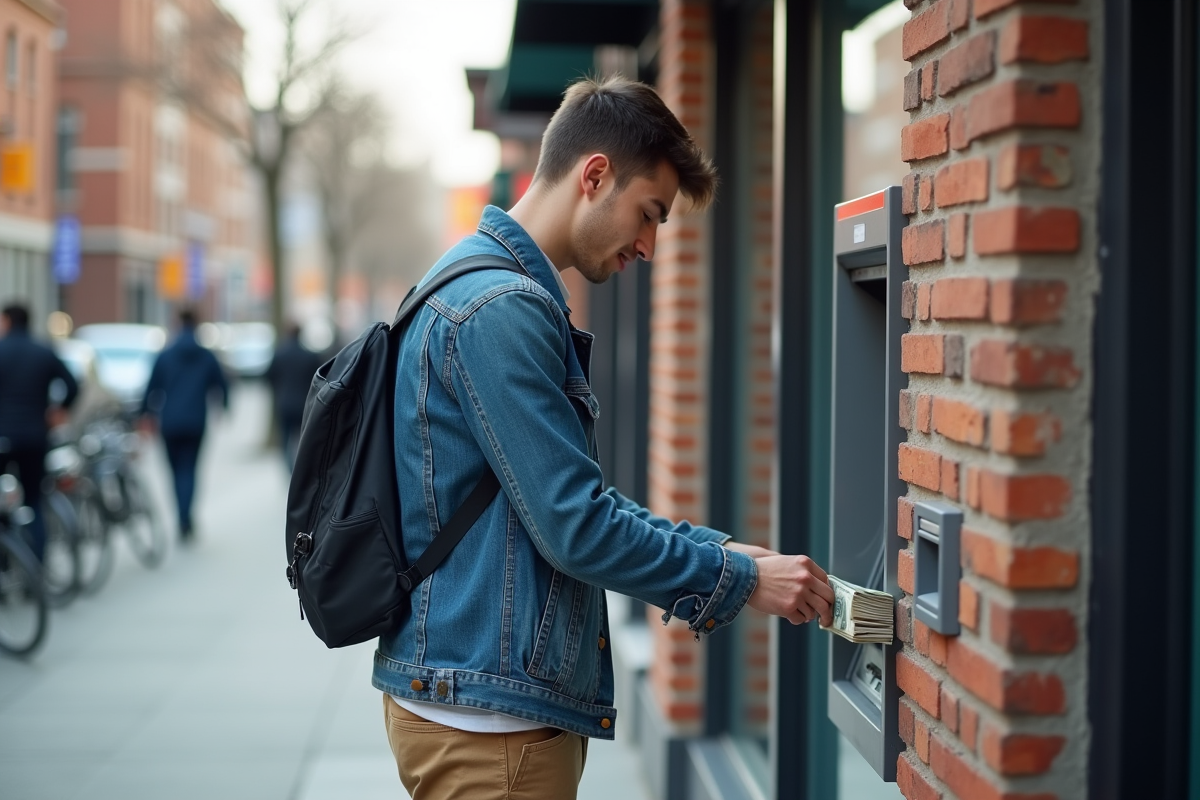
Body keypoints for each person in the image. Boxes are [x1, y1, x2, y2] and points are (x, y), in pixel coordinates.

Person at [376, 76, 835, 800]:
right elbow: (576, 527)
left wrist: (715, 551)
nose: (650, 245)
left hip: (470, 693)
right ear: (594, 176)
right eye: (648, 214)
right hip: (492, 728)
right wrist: (742, 581)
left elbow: (563, 503)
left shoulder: (462, 279)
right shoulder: (503, 308)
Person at [139, 308, 228, 543]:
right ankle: (186, 518)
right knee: (190, 469)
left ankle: (181, 515)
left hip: (169, 422)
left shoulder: (165, 355)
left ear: (178, 323)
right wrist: (224, 407)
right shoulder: (206, 356)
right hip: (196, 421)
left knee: (175, 471)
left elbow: (150, 388)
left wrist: (144, 414)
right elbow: (221, 384)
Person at [0, 304, 78, 563]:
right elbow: (72, 384)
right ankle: (38, 562)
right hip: (35, 435)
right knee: (34, 498)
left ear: (7, 321)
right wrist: (59, 410)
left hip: (3, 438)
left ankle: (7, 564)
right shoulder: (43, 351)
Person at [265, 323, 322, 469]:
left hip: (284, 404)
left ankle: (291, 470)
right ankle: (300, 470)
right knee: (303, 441)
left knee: (285, 442)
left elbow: (269, 377)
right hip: (305, 405)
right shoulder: (310, 356)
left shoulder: (279, 355)